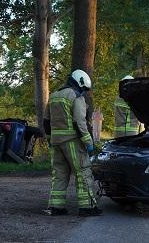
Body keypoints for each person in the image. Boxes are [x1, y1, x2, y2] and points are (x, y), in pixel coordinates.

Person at [44, 69, 101, 217]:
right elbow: (79, 122)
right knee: (83, 172)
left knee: (59, 175)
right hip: (72, 142)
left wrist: (51, 140)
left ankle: (56, 207)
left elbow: (46, 121)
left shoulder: (54, 96)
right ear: (79, 82)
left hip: (56, 143)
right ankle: (87, 207)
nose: (84, 92)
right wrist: (88, 142)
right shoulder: (76, 97)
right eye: (83, 89)